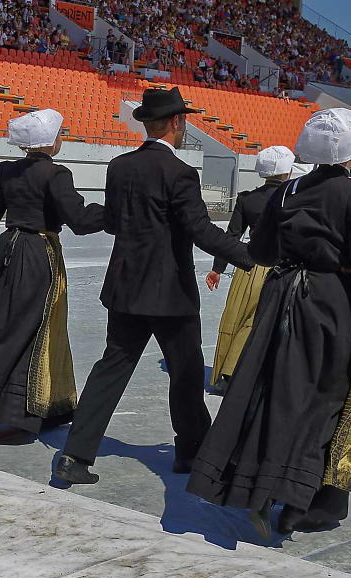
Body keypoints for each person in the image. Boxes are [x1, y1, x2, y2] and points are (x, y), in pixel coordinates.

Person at [186, 109, 351, 541]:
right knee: (322, 397)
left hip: (279, 295)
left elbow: (261, 251)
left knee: (266, 389)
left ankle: (254, 485)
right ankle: (295, 500)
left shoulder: (288, 190)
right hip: (328, 301)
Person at [53, 86, 253, 486]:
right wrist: (250, 256)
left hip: (126, 286)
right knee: (186, 372)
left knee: (112, 367)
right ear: (178, 123)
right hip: (170, 293)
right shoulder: (180, 173)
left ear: (147, 123)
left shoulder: (120, 166)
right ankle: (191, 450)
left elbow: (113, 221)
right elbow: (199, 230)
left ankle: (74, 454)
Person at [0, 109, 105, 441]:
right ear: (49, 141)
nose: (61, 138)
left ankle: (5, 405)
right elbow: (80, 221)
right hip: (37, 255)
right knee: (29, 332)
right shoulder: (57, 174)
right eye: (59, 134)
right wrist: (120, 211)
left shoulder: (6, 170)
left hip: (5, 250)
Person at [207, 145, 294, 393]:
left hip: (249, 264)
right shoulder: (293, 199)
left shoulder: (247, 198)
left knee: (237, 317)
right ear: (287, 171)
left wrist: (218, 268)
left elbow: (232, 236)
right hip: (281, 266)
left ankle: (227, 372)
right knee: (264, 322)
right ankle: (249, 373)